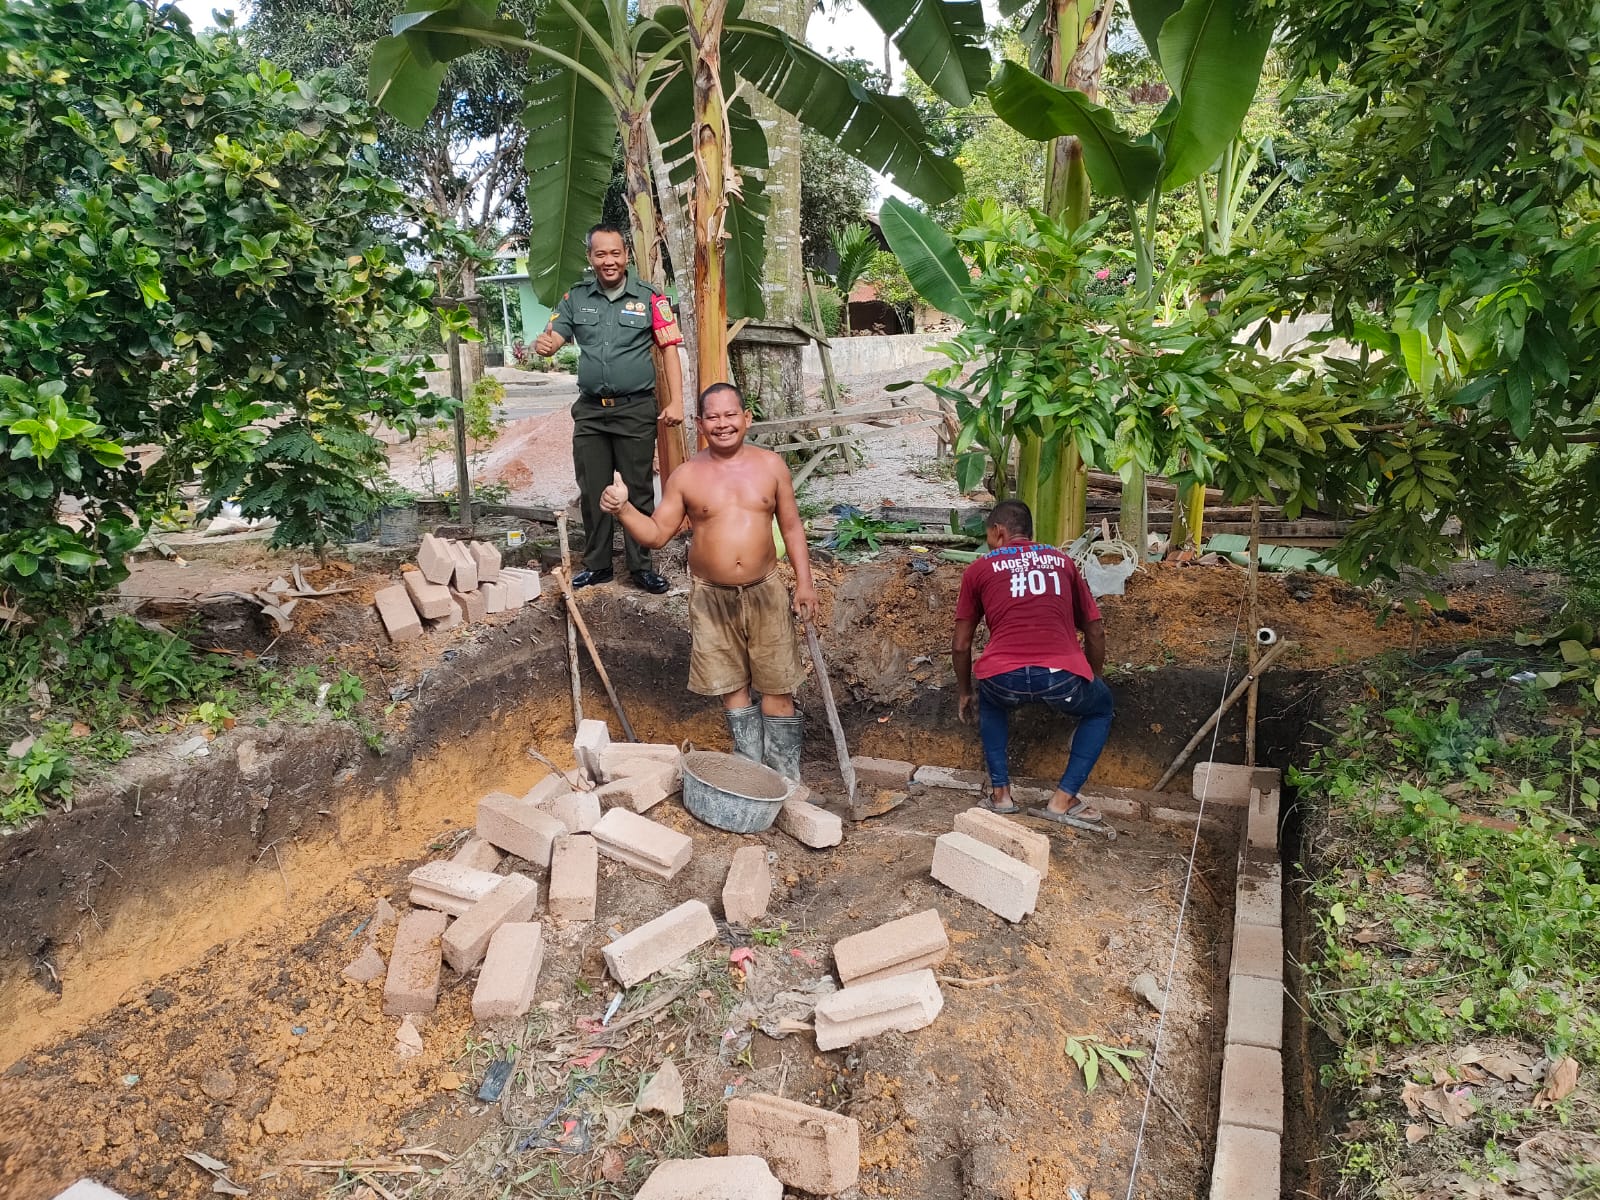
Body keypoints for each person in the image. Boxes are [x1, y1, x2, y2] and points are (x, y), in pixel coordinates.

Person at [600, 382, 818, 780]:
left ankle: (786, 780)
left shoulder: (771, 466)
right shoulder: (685, 476)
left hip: (766, 590)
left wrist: (805, 583)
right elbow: (655, 534)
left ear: (746, 418)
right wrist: (624, 508)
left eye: (730, 414)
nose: (722, 424)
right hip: (711, 598)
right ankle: (751, 776)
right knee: (732, 687)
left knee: (777, 687)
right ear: (700, 424)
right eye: (712, 417)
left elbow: (791, 527)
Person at [534, 223, 683, 594]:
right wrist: (547, 345)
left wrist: (676, 400)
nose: (609, 260)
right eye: (600, 254)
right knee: (592, 488)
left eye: (615, 253)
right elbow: (555, 336)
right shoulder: (575, 298)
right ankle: (597, 564)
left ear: (626, 255)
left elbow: (668, 348)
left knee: (637, 489)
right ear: (590, 258)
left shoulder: (650, 298)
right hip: (590, 412)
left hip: (635, 410)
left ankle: (640, 567)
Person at [952, 500, 1114, 826]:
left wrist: (965, 692)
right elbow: (1095, 630)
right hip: (1063, 679)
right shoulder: (1063, 562)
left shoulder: (978, 570)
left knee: (991, 703)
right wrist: (1093, 679)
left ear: (999, 532)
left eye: (988, 536)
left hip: (1002, 679)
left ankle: (1001, 795)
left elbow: (961, 645)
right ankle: (1062, 800)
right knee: (1101, 707)